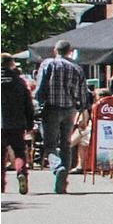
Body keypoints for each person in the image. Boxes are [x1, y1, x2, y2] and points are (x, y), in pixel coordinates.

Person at [33, 41, 88, 195]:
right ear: (70, 51)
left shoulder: (48, 64)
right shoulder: (77, 68)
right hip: (70, 110)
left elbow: (40, 87)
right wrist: (83, 110)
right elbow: (83, 92)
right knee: (66, 144)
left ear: (55, 50)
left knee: (50, 144)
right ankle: (63, 182)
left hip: (51, 108)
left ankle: (58, 167)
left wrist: (38, 103)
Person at [2, 55, 35, 194]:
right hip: (16, 123)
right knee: (19, 152)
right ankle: (21, 172)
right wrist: (30, 123)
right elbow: (28, 104)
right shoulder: (19, 81)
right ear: (11, 64)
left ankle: (1, 184)